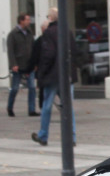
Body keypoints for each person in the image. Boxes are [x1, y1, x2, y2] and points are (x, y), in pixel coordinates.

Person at [29, 9, 76, 146]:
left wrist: (42, 74)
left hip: (53, 75)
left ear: (50, 18)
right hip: (67, 74)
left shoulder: (49, 33)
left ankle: (43, 135)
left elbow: (48, 55)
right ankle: (71, 136)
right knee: (68, 107)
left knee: (47, 106)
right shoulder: (67, 31)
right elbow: (74, 51)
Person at [6, 13, 37, 117]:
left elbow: (33, 48)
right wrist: (13, 64)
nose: (29, 22)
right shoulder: (13, 34)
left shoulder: (29, 33)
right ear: (21, 21)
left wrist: (34, 62)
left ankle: (31, 109)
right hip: (18, 64)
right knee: (15, 88)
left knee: (32, 87)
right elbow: (10, 51)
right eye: (27, 20)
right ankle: (10, 107)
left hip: (29, 65)